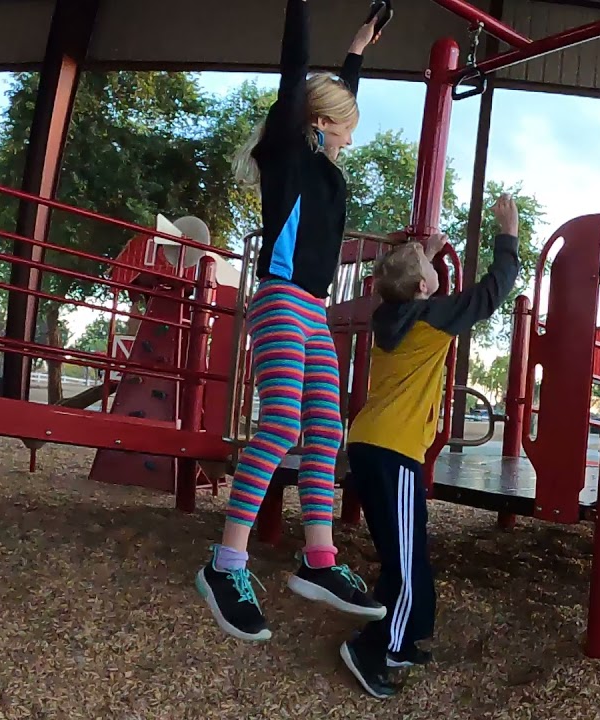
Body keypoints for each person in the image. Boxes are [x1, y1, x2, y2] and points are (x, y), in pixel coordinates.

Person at [195, 0, 384, 643]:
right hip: (279, 300)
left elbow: (336, 93)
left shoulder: (328, 171)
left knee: (327, 430)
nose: (352, 136)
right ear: (321, 124)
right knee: (280, 424)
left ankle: (318, 560)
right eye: (346, 126)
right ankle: (225, 563)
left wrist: (358, 48)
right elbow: (296, 74)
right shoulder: (287, 154)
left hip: (315, 312)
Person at [340, 195, 521, 699]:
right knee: (405, 557)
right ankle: (372, 649)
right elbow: (490, 294)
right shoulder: (429, 319)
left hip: (369, 444)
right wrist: (507, 234)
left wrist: (429, 251)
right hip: (394, 450)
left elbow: (406, 280)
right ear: (423, 287)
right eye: (428, 266)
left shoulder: (390, 317)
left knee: (407, 550)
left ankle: (402, 636)